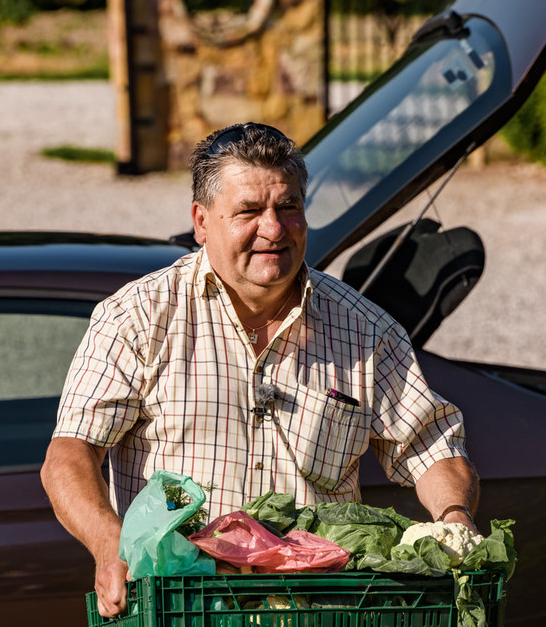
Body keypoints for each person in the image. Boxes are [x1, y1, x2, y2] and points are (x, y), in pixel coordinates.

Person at [40, 122, 479, 618]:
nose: (273, 228)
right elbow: (70, 454)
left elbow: (432, 448)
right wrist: (108, 544)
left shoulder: (366, 330)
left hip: (320, 611)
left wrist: (454, 520)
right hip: (183, 608)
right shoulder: (139, 317)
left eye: (288, 207)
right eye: (249, 211)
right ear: (201, 221)